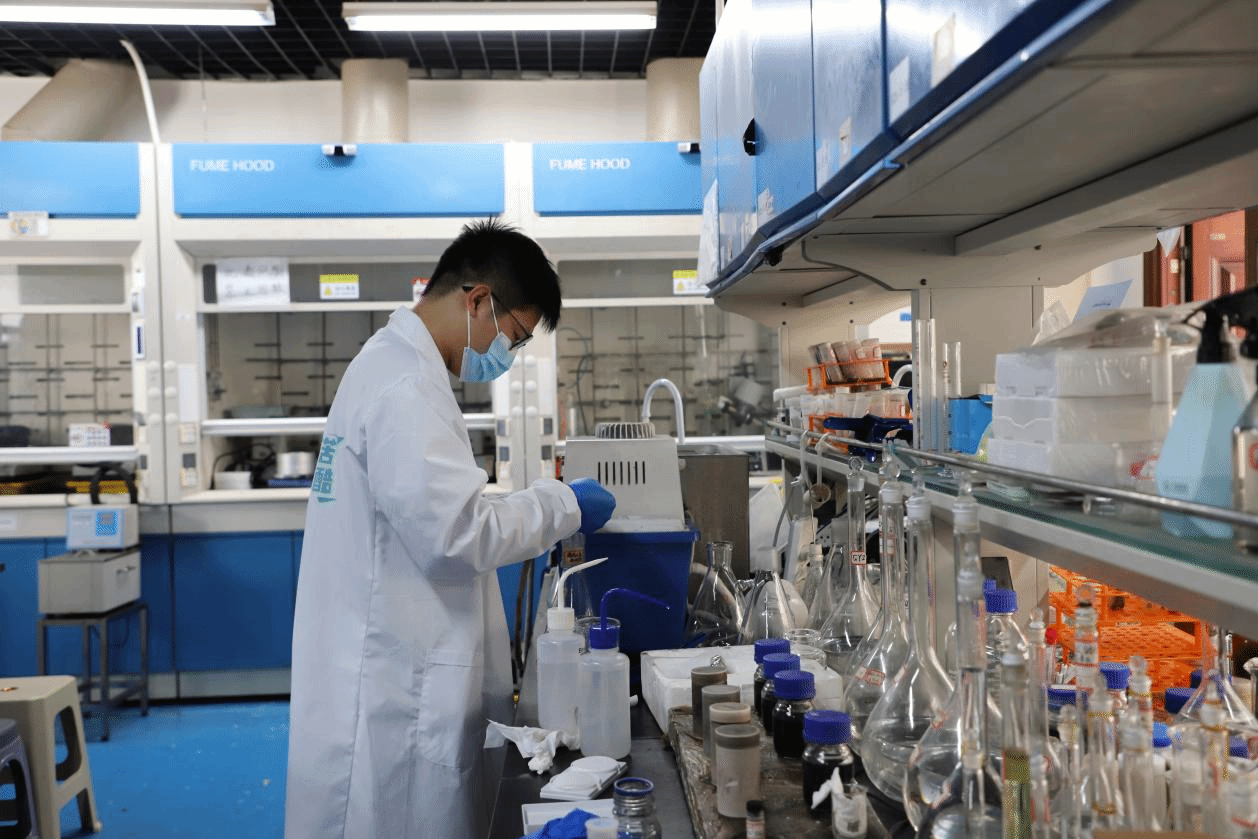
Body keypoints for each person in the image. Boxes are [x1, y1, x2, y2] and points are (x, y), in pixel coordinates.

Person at [284, 220, 617, 839]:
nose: (507, 356)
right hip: (396, 688)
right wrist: (561, 504)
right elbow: (458, 536)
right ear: (478, 300)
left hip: (385, 659)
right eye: (514, 336)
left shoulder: (393, 366)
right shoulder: (405, 388)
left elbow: (437, 515)